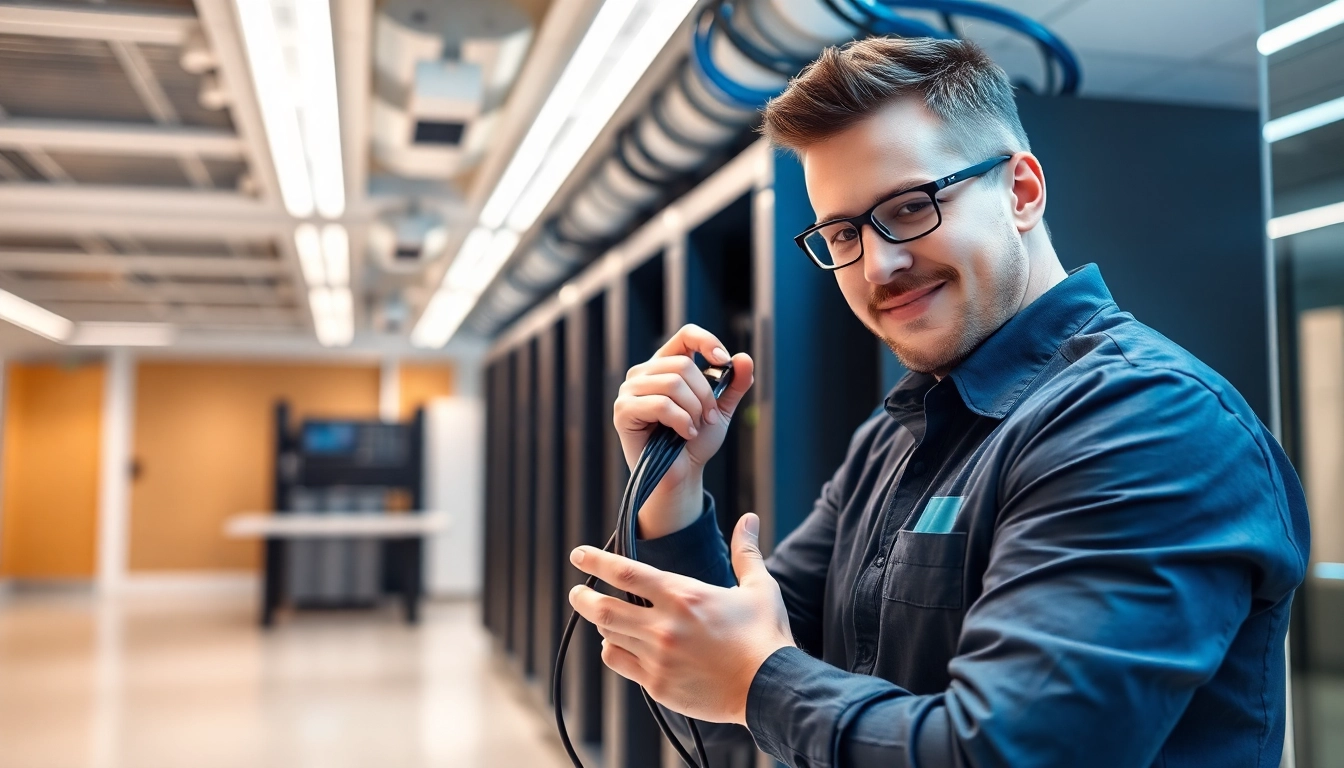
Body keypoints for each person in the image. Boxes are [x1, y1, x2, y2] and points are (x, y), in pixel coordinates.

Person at [566, 36, 1309, 768]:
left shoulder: (1148, 423)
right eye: (843, 232)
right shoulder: (898, 436)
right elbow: (719, 690)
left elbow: (1009, 754)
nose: (879, 262)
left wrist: (756, 683)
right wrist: (671, 488)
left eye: (911, 206)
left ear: (1021, 191)